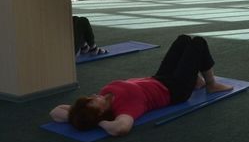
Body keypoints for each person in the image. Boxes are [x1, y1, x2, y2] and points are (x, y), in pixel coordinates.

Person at [49, 35, 232, 136]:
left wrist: (77, 116)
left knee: (183, 40)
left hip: (158, 78)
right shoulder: (125, 109)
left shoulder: (102, 97)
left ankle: (194, 80)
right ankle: (211, 84)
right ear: (100, 113)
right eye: (92, 102)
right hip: (175, 90)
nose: (94, 96)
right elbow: (121, 128)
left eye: (90, 98)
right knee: (198, 43)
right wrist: (99, 123)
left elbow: (55, 112)